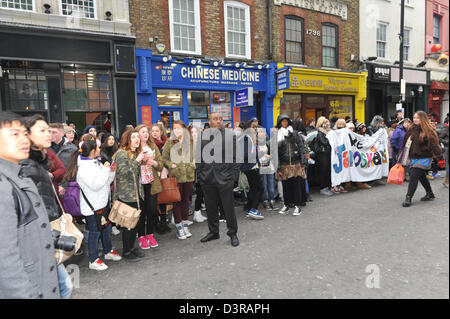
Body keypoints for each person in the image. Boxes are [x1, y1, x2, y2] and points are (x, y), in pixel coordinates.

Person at [0, 111, 60, 298]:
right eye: (14, 134)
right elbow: (5, 261)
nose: (24, 140)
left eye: (25, 134)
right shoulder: (4, 185)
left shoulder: (16, 176)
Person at [19, 114, 72, 298]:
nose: (48, 134)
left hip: (47, 232)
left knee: (62, 286)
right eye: (42, 130)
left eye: (49, 130)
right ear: (28, 136)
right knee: (62, 287)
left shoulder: (40, 161)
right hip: (37, 238)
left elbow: (62, 171)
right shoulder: (26, 166)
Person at [66, 140, 121, 270]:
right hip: (92, 207)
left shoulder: (95, 162)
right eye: (97, 147)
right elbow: (95, 186)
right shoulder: (84, 168)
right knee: (94, 233)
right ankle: (93, 259)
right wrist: (106, 170)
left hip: (102, 204)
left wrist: (111, 172)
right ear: (92, 151)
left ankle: (107, 252)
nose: (99, 149)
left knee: (106, 230)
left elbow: (106, 182)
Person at [197, 113, 240, 247]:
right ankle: (213, 232)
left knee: (228, 208)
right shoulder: (203, 136)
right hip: (207, 179)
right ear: (209, 121)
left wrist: (234, 176)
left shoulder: (229, 135)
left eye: (221, 119)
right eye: (215, 119)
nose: (219, 121)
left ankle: (232, 233)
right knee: (210, 208)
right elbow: (198, 157)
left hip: (225, 178)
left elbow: (236, 157)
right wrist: (200, 175)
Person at [112, 129, 148, 261]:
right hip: (126, 195)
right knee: (128, 225)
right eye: (134, 137)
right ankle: (126, 251)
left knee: (136, 224)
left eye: (138, 137)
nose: (137, 139)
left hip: (137, 194)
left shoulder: (134, 153)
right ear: (127, 139)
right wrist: (138, 160)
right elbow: (125, 172)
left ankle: (132, 247)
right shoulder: (121, 153)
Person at [162, 120, 196, 240]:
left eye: (179, 128)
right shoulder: (169, 142)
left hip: (189, 175)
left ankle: (185, 224)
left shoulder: (190, 141)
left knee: (186, 201)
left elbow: (196, 156)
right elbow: (164, 158)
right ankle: (179, 227)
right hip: (176, 176)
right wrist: (171, 165)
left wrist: (194, 163)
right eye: (175, 128)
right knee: (177, 201)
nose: (176, 130)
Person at [401, 111, 442, 207]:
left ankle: (408, 198)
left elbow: (434, 144)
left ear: (423, 119)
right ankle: (430, 193)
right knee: (421, 175)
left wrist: (439, 155)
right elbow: (406, 142)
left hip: (425, 157)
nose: (415, 119)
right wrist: (402, 153)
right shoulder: (411, 129)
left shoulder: (428, 130)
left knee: (414, 175)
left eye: (418, 118)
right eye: (414, 117)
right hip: (414, 156)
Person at [135, 124, 163, 248]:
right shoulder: (134, 148)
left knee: (152, 209)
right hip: (139, 184)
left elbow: (161, 165)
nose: (146, 134)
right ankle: (141, 236)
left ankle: (150, 234)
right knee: (141, 211)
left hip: (152, 183)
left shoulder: (153, 146)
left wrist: (154, 162)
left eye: (147, 132)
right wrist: (140, 160)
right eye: (142, 132)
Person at [276, 114, 307, 215]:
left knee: (296, 186)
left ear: (289, 122)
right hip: (284, 164)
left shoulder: (294, 133)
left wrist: (303, 161)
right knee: (286, 186)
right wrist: (278, 166)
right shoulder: (277, 135)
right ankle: (286, 205)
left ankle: (297, 206)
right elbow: (276, 152)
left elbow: (302, 147)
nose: (284, 123)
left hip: (295, 163)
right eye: (282, 121)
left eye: (286, 121)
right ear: (280, 123)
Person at [239, 121, 265, 220]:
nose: (255, 129)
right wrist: (260, 153)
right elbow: (245, 155)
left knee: (253, 188)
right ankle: (253, 209)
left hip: (252, 166)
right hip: (250, 167)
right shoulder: (246, 139)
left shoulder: (249, 138)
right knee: (259, 188)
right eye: (253, 127)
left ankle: (248, 208)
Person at [151, 123, 171, 233]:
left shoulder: (166, 143)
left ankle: (164, 221)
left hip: (164, 172)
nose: (154, 133)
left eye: (157, 131)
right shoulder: (149, 144)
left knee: (164, 198)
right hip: (154, 173)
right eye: (152, 131)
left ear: (161, 132)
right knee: (154, 200)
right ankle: (156, 223)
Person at [312, 117, 334, 195]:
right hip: (322, 154)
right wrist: (330, 137)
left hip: (327, 154)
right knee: (323, 171)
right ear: (321, 124)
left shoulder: (327, 132)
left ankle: (326, 187)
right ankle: (323, 188)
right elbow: (324, 143)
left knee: (327, 170)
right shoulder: (320, 133)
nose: (327, 124)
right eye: (325, 122)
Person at [190, 125, 208, 223]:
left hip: (203, 171)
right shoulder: (190, 145)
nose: (194, 134)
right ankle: (196, 213)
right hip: (195, 173)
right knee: (199, 193)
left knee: (201, 193)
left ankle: (198, 213)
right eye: (192, 132)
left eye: (196, 132)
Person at [258, 127, 277, 210]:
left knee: (271, 184)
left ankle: (272, 201)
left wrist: (270, 156)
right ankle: (265, 201)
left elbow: (272, 153)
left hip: (269, 165)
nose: (262, 133)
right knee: (264, 185)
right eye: (260, 132)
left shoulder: (267, 143)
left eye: (263, 132)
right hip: (261, 166)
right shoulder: (255, 144)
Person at [331, 119, 348, 193]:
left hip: (343, 153)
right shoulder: (333, 132)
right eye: (339, 124)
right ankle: (334, 185)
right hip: (336, 153)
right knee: (335, 170)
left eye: (342, 124)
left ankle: (339, 184)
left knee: (342, 170)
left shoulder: (346, 132)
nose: (340, 126)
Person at [439, 120, 449, 188]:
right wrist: (447, 141)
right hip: (447, 149)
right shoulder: (445, 129)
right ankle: (446, 181)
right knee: (448, 166)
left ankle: (446, 181)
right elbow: (439, 138)